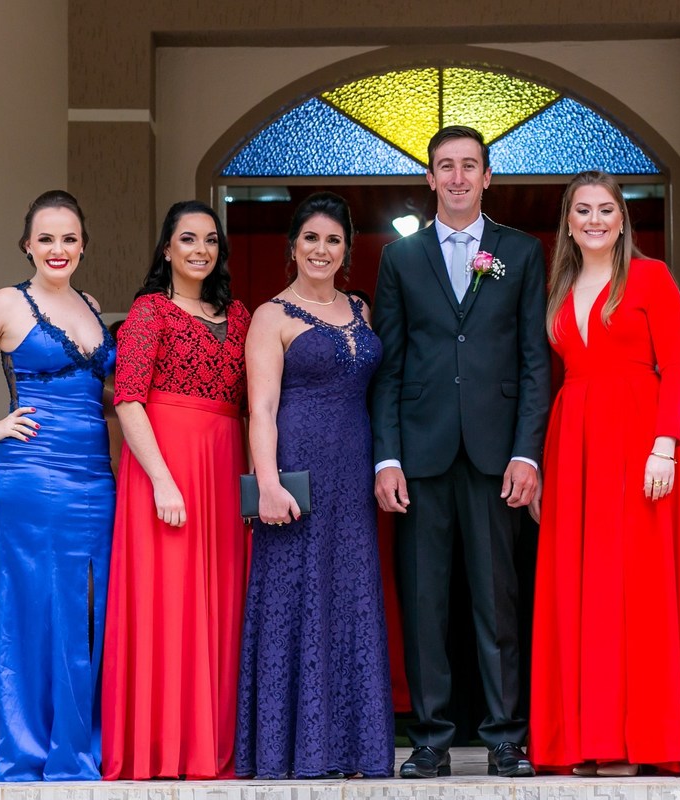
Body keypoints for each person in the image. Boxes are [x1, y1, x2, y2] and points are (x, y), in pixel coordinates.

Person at [371, 125, 550, 779]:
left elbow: (534, 362)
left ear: (487, 176)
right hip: (420, 454)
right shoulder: (400, 258)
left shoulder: (520, 252)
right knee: (424, 603)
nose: (457, 177)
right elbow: (389, 365)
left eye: (469, 165)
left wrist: (528, 453)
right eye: (445, 166)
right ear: (429, 177)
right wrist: (386, 457)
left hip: (497, 454)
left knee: (498, 599)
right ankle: (430, 739)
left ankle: (505, 737)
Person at [0, 190, 114, 781]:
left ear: (83, 246)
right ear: (27, 245)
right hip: (34, 473)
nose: (58, 248)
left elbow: (107, 393)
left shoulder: (91, 305)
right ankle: (30, 741)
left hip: (96, 476)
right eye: (46, 238)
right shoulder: (8, 302)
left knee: (89, 605)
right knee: (39, 602)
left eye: (69, 238)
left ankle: (76, 736)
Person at [528, 171, 680, 777]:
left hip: (639, 437)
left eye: (605, 209)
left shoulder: (651, 277)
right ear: (568, 223)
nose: (594, 220)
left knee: (635, 588)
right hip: (574, 443)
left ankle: (633, 739)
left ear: (623, 220)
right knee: (580, 588)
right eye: (583, 210)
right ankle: (587, 738)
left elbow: (677, 367)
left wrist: (664, 446)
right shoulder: (558, 286)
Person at [235, 192, 394, 778]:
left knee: (348, 594)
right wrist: (268, 484)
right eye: (311, 238)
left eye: (333, 240)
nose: (321, 250)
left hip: (352, 471)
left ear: (347, 249)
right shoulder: (270, 315)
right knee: (295, 596)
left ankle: (350, 748)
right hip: (296, 468)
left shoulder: (360, 310)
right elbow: (261, 408)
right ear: (293, 246)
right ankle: (291, 750)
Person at [101, 200, 251, 780]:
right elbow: (128, 399)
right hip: (163, 470)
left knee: (221, 604)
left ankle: (210, 744)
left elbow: (256, 402)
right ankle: (160, 747)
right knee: (166, 602)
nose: (200, 250)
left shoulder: (239, 316)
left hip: (224, 465)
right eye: (188, 239)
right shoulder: (149, 312)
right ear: (167, 249)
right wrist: (163, 480)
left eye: (210, 240)